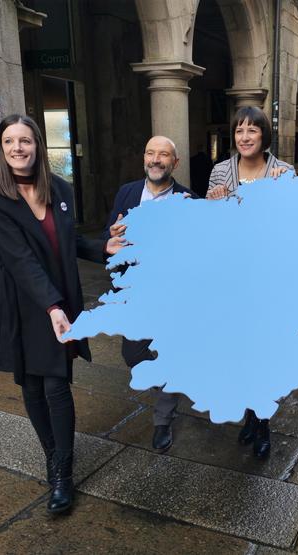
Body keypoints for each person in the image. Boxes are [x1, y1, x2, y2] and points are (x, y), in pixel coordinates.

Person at [0, 114, 123, 514]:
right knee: (32, 385)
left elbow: (67, 239)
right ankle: (52, 456)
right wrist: (51, 306)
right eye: (9, 142)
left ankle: (62, 472)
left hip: (60, 300)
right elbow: (20, 259)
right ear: (1, 149)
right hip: (26, 304)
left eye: (25, 140)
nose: (17, 148)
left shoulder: (59, 188)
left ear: (38, 145)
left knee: (57, 384)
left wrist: (101, 249)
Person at [206, 105, 293, 458]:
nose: (244, 137)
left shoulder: (283, 173)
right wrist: (216, 205)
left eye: (252, 131)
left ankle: (264, 424)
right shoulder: (219, 172)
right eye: (239, 130)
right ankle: (249, 416)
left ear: (263, 135)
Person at [103, 136, 195, 451]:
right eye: (151, 153)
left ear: (175, 162)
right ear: (144, 158)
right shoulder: (127, 193)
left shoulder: (188, 201)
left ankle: (162, 421)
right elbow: (109, 235)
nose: (156, 160)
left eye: (164, 155)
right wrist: (111, 237)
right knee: (132, 354)